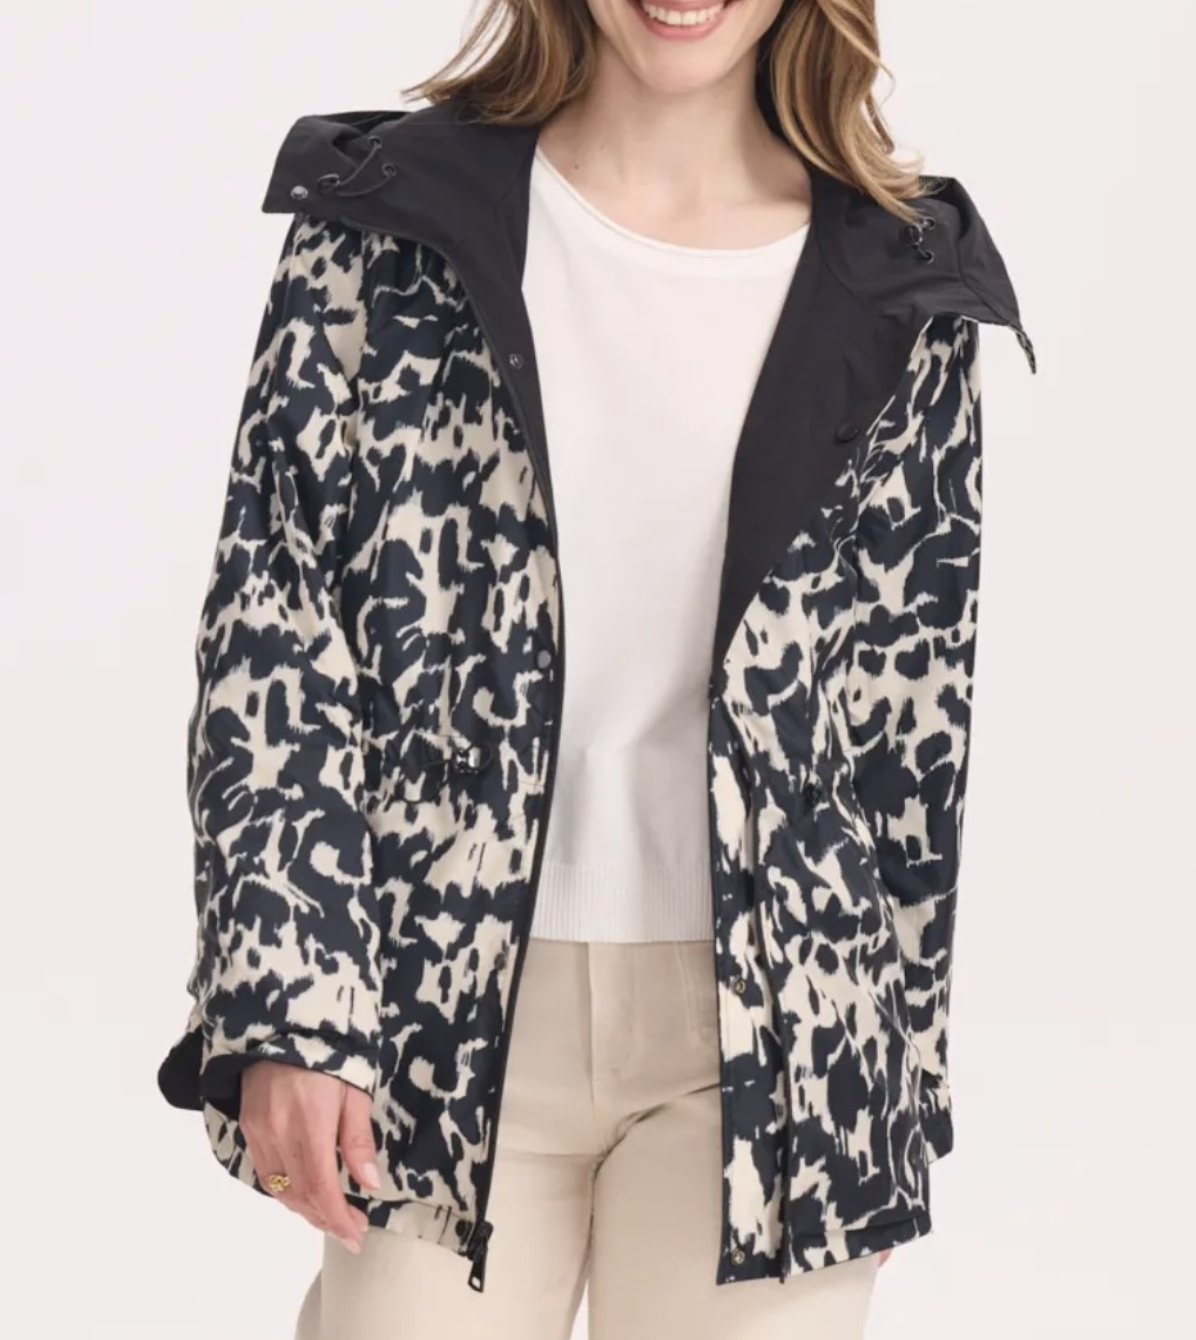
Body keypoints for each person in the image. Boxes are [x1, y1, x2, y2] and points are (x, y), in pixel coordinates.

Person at [156, 1, 1035, 1337]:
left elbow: (908, 727)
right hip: (435, 1008)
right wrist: (288, 1006)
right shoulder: (390, 226)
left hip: (774, 1040)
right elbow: (280, 627)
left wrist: (888, 1103)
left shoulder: (898, 276)